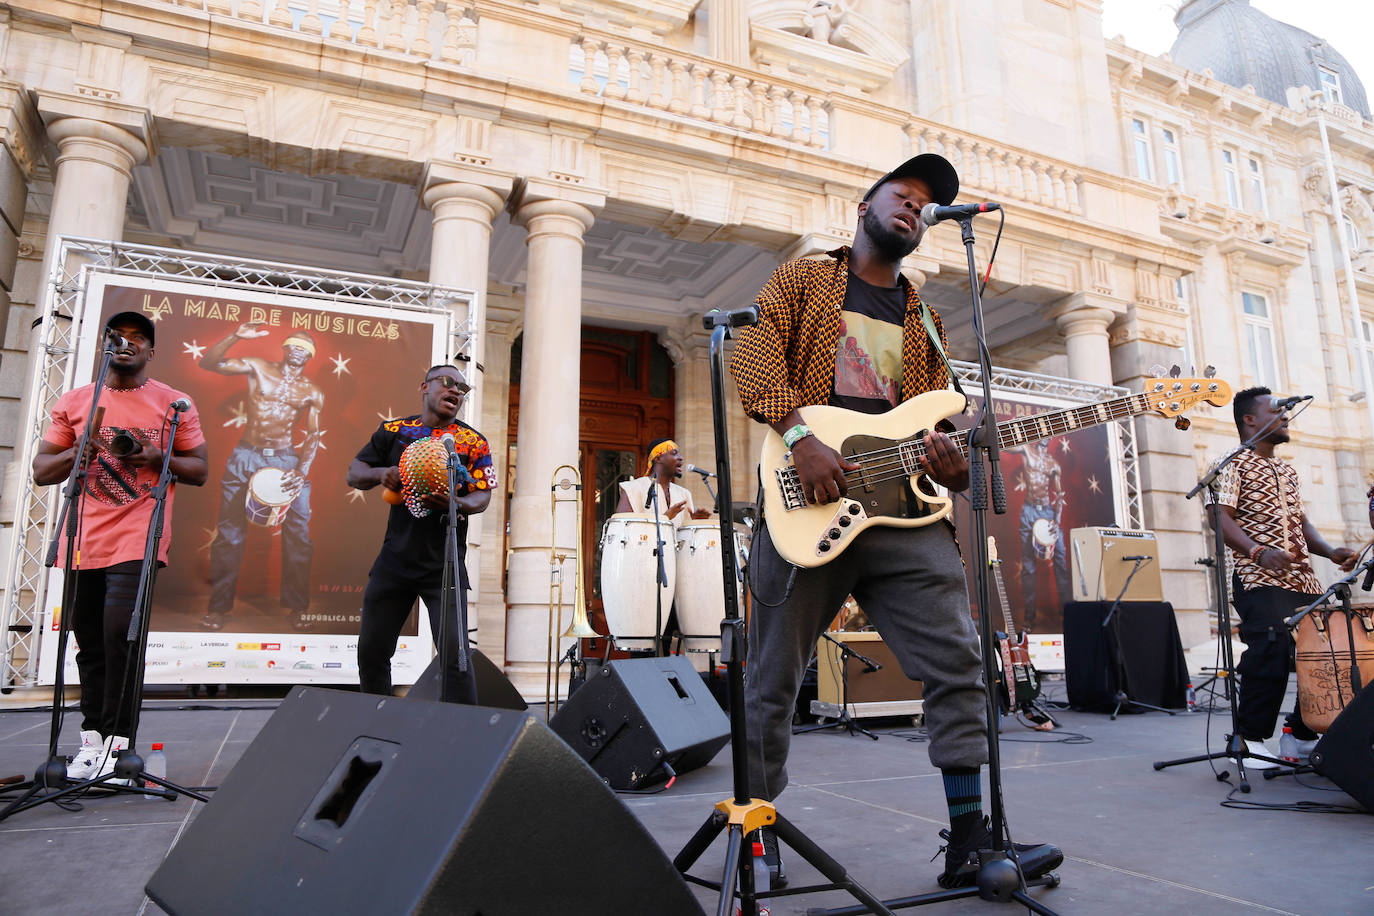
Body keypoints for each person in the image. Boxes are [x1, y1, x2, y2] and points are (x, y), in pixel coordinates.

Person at [729, 153, 1061, 889]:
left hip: (906, 517)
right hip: (807, 504)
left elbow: (940, 436)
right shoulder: (805, 279)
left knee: (957, 664)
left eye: (924, 204)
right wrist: (799, 437)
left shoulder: (927, 319)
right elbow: (751, 354)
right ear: (865, 205)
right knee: (772, 679)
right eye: (902, 195)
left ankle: (971, 841)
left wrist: (952, 466)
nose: (914, 207)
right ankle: (756, 838)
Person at [33, 312, 208, 780]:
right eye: (118, 338)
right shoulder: (76, 403)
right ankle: (91, 740)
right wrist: (76, 453)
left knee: (119, 637)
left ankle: (119, 744)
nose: (127, 345)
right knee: (88, 641)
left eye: (138, 339)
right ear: (105, 346)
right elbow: (41, 470)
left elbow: (201, 470)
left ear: (151, 351)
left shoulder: (174, 404)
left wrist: (156, 456)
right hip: (81, 537)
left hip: (138, 535)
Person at [1211, 387, 1356, 768]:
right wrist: (1258, 551)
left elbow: (1301, 522)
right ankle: (1249, 738)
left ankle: (1299, 735)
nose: (1285, 415)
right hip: (1256, 577)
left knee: (1325, 656)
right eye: (1275, 409)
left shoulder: (1287, 470)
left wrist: (1329, 550)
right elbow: (1219, 517)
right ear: (1250, 419)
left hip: (1303, 580)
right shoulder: (1231, 462)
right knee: (1272, 646)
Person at [347, 364, 495, 702]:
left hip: (443, 565)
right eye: (448, 382)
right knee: (371, 653)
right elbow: (354, 472)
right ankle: (376, 725)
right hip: (394, 561)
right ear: (424, 387)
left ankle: (460, 738)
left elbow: (483, 495)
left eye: (462, 388)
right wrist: (383, 473)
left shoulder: (472, 442)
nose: (456, 391)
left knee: (456, 659)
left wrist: (455, 502)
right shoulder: (395, 431)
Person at [199, 323, 322, 632]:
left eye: (305, 347)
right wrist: (236, 337)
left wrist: (301, 471)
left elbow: (312, 434)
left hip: (286, 459)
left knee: (299, 535)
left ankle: (297, 607)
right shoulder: (258, 366)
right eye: (294, 344)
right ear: (283, 348)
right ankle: (218, 609)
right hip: (246, 455)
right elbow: (209, 363)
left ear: (310, 356)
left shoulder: (312, 391)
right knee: (230, 533)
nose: (298, 349)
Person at [1011, 438, 1070, 630]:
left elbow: (1060, 495)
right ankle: (1030, 617)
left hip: (1047, 512)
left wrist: (1057, 519)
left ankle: (1066, 613)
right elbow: (1004, 445)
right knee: (1028, 565)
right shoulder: (1027, 451)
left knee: (1061, 559)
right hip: (1029, 510)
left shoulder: (1053, 464)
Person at [613, 438, 712, 526]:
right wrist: (665, 519)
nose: (681, 458)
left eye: (679, 454)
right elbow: (621, 529)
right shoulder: (633, 488)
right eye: (674, 453)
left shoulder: (684, 494)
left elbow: (686, 539)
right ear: (658, 458)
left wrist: (695, 524)